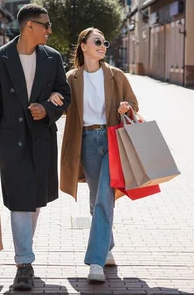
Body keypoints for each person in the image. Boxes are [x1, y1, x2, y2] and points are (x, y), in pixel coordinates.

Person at [0, 4, 71, 291]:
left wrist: (47, 110)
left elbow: (65, 94)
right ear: (30, 26)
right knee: (19, 200)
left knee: (35, 201)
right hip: (11, 141)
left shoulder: (52, 59)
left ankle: (24, 253)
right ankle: (24, 263)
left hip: (41, 139)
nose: (49, 30)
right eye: (46, 25)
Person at [49, 27, 138, 283]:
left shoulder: (115, 76)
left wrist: (126, 106)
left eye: (104, 42)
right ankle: (107, 245)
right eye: (97, 42)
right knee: (96, 198)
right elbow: (62, 106)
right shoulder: (71, 78)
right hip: (85, 141)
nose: (102, 46)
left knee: (103, 200)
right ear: (84, 46)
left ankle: (96, 262)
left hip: (112, 140)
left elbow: (133, 103)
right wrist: (55, 97)